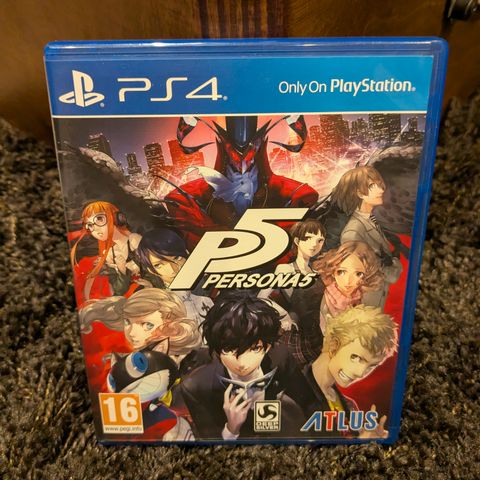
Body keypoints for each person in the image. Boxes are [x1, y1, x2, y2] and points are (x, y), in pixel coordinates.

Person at [179, 292, 317, 440]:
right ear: (217, 350)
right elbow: (209, 445)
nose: (242, 362)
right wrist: (231, 429)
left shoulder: (280, 357)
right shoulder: (196, 387)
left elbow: (310, 405)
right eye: (230, 350)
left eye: (255, 348)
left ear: (268, 347)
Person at [304, 305, 398, 438]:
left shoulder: (350, 405)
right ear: (334, 345)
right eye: (356, 358)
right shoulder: (293, 388)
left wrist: (365, 442)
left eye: (371, 366)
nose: (360, 373)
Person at [332, 166, 402, 307]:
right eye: (372, 186)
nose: (381, 190)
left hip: (376, 299)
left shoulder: (369, 220)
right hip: (364, 303)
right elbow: (388, 275)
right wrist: (396, 263)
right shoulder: (354, 231)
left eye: (379, 185)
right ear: (359, 193)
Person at [259, 218, 326, 367]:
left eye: (319, 240)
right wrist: (284, 315)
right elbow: (262, 298)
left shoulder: (317, 272)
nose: (314, 244)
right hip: (297, 336)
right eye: (308, 238)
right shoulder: (285, 269)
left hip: (319, 334)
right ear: (297, 241)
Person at [79, 288, 202, 364]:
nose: (132, 333)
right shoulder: (130, 361)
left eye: (148, 325)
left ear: (172, 327)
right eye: (127, 322)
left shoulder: (191, 361)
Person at [136, 228, 213, 326]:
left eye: (177, 258)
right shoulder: (159, 301)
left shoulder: (209, 282)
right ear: (151, 270)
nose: (172, 269)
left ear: (187, 253)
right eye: (159, 265)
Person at [70, 201, 141, 301]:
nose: (95, 229)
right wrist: (122, 271)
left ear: (117, 218)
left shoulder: (134, 240)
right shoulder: (109, 254)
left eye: (99, 219)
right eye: (89, 225)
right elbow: (119, 290)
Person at [313, 241, 383, 333]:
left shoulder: (363, 299)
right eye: (341, 272)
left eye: (358, 274)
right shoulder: (320, 298)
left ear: (367, 275)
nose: (348, 281)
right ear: (333, 271)